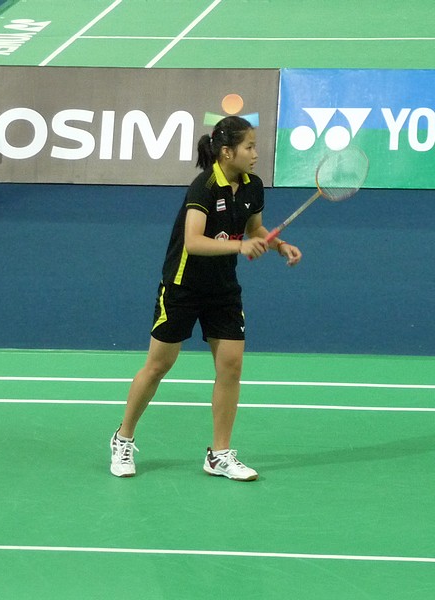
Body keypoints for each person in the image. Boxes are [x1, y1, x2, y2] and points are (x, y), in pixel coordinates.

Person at [110, 116, 302, 482]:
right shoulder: (205, 187)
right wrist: (240, 246)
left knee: (231, 367)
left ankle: (219, 454)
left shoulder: (253, 186)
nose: (256, 154)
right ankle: (123, 438)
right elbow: (194, 241)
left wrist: (278, 245)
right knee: (158, 366)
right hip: (183, 286)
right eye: (249, 147)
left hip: (222, 288)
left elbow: (254, 227)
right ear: (226, 152)